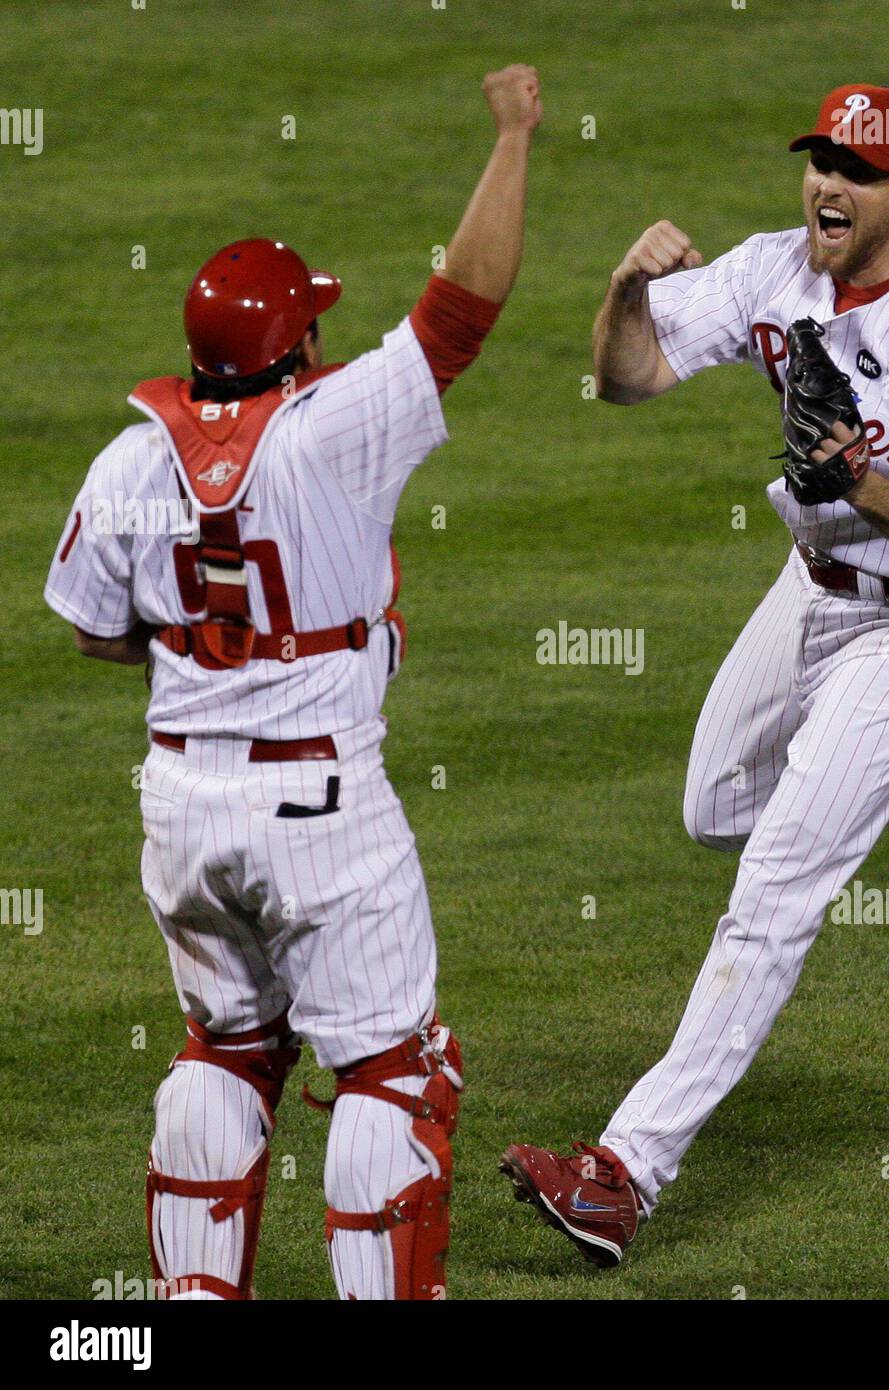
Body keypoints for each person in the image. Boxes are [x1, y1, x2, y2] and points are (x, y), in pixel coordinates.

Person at [500, 83, 889, 1270]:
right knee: (716, 806)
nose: (829, 184)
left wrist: (858, 482)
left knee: (777, 884)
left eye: (860, 169)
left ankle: (624, 1171)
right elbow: (627, 378)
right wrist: (624, 292)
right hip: (813, 592)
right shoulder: (772, 271)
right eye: (820, 160)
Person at [45, 64, 543, 1300]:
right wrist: (514, 135)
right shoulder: (338, 425)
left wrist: (212, 654)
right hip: (323, 811)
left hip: (178, 807)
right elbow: (462, 307)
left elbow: (96, 633)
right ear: (301, 343)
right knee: (390, 1069)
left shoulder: (124, 459)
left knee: (228, 1047)